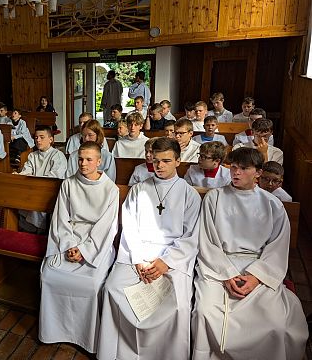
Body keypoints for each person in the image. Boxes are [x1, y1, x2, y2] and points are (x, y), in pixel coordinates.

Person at [191, 147, 307, 360]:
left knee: (276, 324)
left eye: (244, 168)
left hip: (259, 268)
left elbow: (277, 247)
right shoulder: (214, 198)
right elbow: (207, 241)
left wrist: (256, 277)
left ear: (258, 173)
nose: (236, 172)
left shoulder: (272, 204)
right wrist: (226, 274)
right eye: (233, 167)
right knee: (205, 313)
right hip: (219, 267)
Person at [99, 137, 201, 360]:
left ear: (178, 161)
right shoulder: (138, 189)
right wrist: (138, 259)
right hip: (137, 253)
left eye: (166, 161)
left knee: (180, 305)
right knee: (112, 288)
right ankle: (118, 353)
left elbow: (191, 236)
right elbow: (129, 227)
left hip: (172, 257)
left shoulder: (189, 194)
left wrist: (165, 263)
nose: (160, 166)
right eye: (156, 161)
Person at [39, 141, 119, 354]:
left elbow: (107, 227)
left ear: (99, 161)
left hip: (95, 244)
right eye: (80, 159)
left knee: (91, 284)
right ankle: (54, 331)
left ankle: (85, 337)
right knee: (49, 275)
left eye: (89, 159)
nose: (83, 163)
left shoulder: (110, 189)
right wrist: (69, 245)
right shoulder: (68, 184)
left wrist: (84, 251)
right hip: (69, 239)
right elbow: (60, 219)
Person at [16, 125, 67, 233]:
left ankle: (40, 231)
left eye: (42, 137)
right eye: (36, 137)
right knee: (18, 198)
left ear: (51, 139)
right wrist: (19, 175)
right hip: (33, 188)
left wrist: (35, 184)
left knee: (36, 203)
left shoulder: (58, 155)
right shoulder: (32, 155)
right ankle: (26, 230)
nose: (38, 140)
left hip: (49, 191)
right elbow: (27, 170)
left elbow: (54, 177)